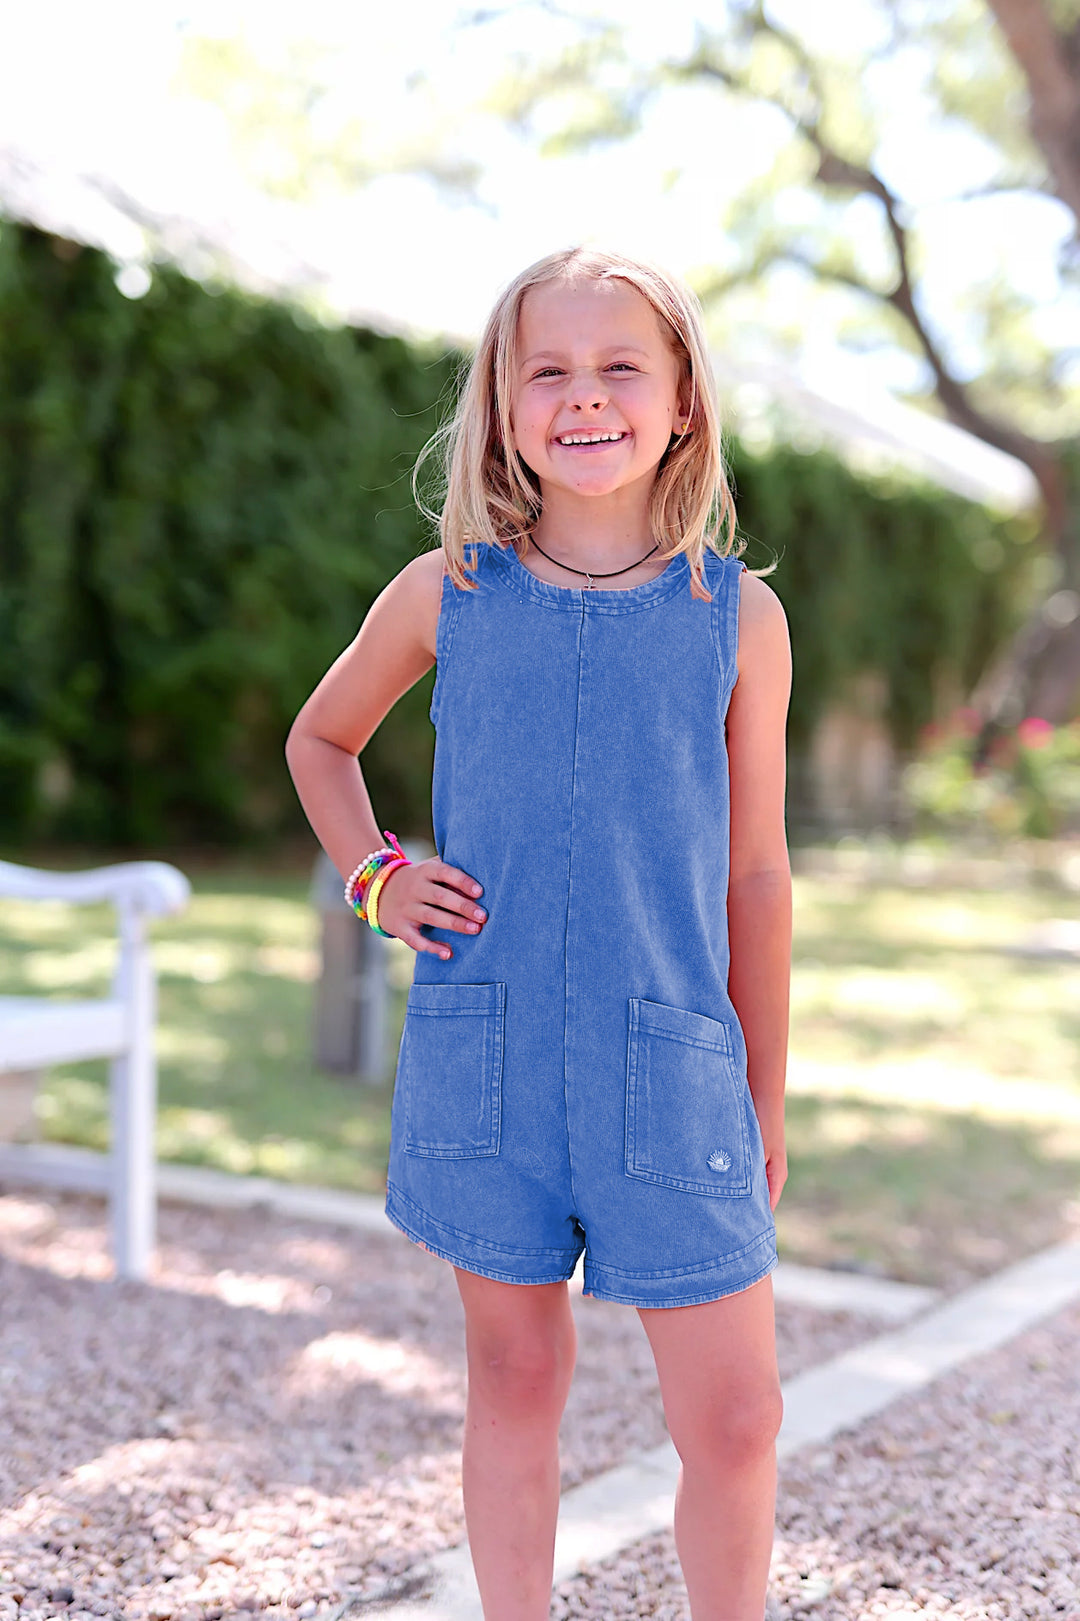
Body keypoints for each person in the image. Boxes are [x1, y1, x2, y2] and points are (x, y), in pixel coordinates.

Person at [285, 243, 793, 1621]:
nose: (585, 397)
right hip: (487, 1051)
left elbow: (756, 872)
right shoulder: (445, 590)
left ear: (683, 397)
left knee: (738, 1416)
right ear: (504, 405)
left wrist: (765, 1089)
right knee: (516, 1379)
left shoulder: (737, 618)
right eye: (547, 371)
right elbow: (321, 740)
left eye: (621, 365)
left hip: (674, 1064)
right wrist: (377, 877)